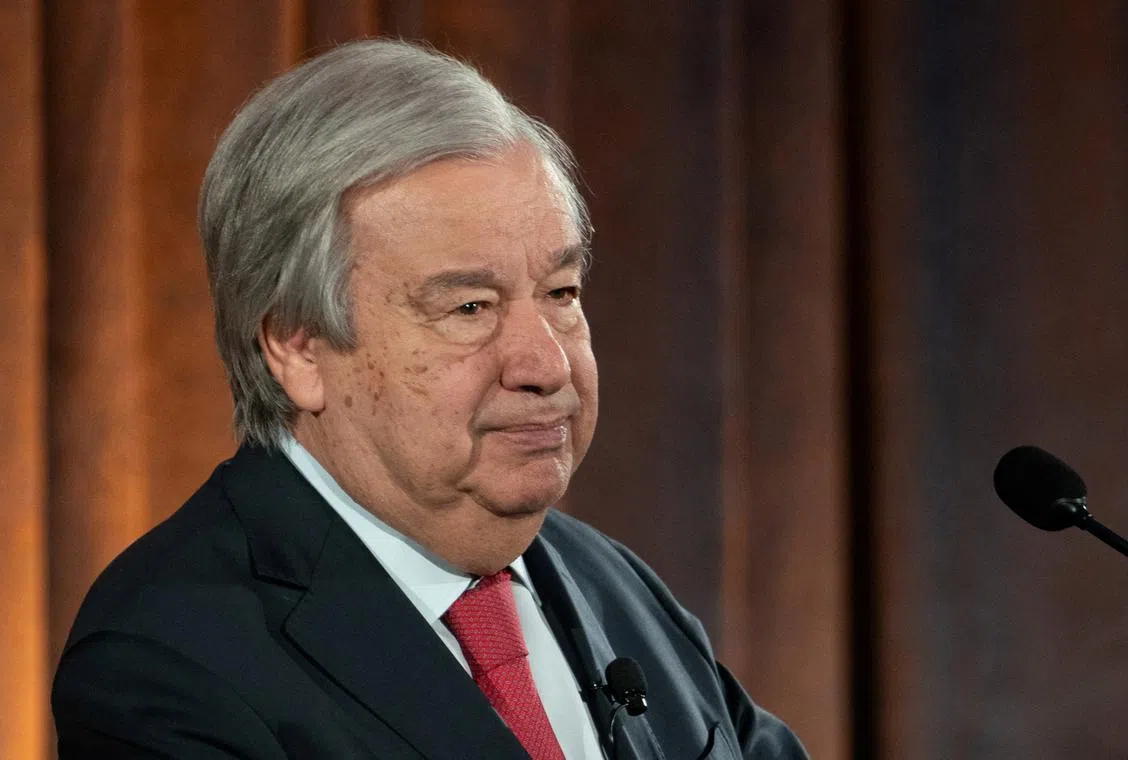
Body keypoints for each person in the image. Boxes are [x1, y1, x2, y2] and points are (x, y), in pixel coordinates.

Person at [51, 39, 809, 760]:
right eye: (469, 308)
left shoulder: (612, 581)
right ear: (298, 346)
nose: (546, 364)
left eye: (561, 292)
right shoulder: (166, 665)